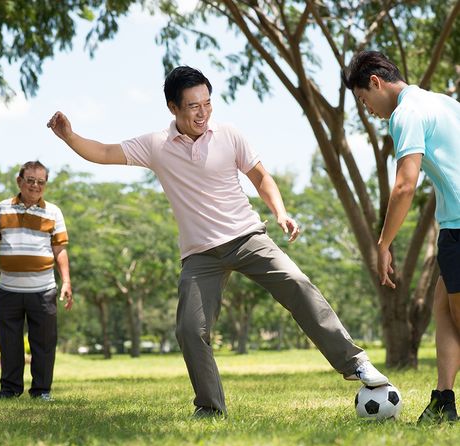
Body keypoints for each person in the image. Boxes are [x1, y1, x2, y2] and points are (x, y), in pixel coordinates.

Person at [47, 66, 387, 417]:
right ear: (173, 108)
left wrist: (280, 212)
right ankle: (210, 407)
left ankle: (354, 362)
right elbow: (103, 152)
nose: (203, 112)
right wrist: (70, 136)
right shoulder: (156, 146)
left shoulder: (229, 134)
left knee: (298, 284)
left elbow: (260, 176)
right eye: (193, 106)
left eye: (208, 103)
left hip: (246, 237)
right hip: (200, 255)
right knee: (189, 330)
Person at [343, 50, 460, 423]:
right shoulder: (443, 103)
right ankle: (443, 399)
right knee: (443, 308)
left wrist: (383, 243)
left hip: (458, 227)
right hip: (454, 223)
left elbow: (405, 186)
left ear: (376, 82)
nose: (369, 110)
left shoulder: (405, 114)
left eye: (364, 100)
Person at [0, 160, 73, 401]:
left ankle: (42, 390)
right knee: (9, 342)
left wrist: (67, 282)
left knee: (43, 342)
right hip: (8, 289)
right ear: (19, 181)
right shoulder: (2, 209)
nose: (35, 186)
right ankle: (9, 389)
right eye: (30, 180)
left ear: (45, 184)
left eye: (40, 182)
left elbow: (60, 250)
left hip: (43, 290)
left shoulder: (53, 212)